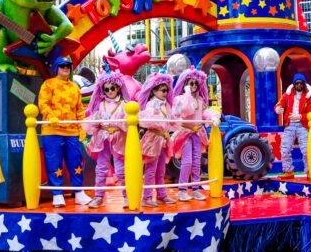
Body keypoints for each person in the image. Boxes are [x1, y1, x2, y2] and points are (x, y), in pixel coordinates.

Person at [38, 56, 91, 207]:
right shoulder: (48, 84)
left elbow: (79, 110)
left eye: (68, 66)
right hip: (52, 131)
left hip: (72, 132)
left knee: (76, 162)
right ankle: (57, 194)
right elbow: (43, 104)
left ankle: (79, 192)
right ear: (57, 68)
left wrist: (82, 127)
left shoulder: (75, 88)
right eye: (62, 66)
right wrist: (51, 117)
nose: (66, 68)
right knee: (54, 163)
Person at [172, 66, 220, 201]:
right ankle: (182, 190)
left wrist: (213, 117)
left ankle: (195, 189)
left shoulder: (200, 100)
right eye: (190, 83)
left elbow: (205, 112)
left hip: (198, 133)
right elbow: (182, 112)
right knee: (187, 161)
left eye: (196, 83)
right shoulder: (180, 99)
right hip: (185, 133)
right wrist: (187, 95)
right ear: (185, 84)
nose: (193, 86)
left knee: (197, 161)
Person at [83, 70, 129, 209]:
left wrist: (118, 124)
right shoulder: (101, 104)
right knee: (101, 168)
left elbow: (128, 123)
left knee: (121, 170)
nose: (109, 91)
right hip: (103, 139)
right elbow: (95, 121)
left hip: (118, 138)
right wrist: (97, 122)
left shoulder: (125, 104)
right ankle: (98, 197)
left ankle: (127, 196)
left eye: (112, 88)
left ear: (118, 87)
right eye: (106, 89)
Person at [137, 69, 178, 207]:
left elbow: (172, 120)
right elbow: (147, 120)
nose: (165, 93)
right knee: (151, 169)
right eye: (162, 90)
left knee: (161, 170)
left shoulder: (166, 105)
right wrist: (156, 116)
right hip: (153, 139)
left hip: (163, 139)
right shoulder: (151, 104)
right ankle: (147, 197)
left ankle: (161, 194)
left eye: (167, 90)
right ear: (154, 91)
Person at [275, 73, 311, 178]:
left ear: (304, 84)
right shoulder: (287, 95)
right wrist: (277, 109)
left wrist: (300, 116)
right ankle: (288, 171)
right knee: (285, 149)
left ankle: (310, 171)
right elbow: (279, 104)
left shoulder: (310, 98)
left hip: (303, 126)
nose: (299, 85)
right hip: (289, 125)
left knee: (306, 150)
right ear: (294, 84)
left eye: (301, 83)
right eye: (297, 83)